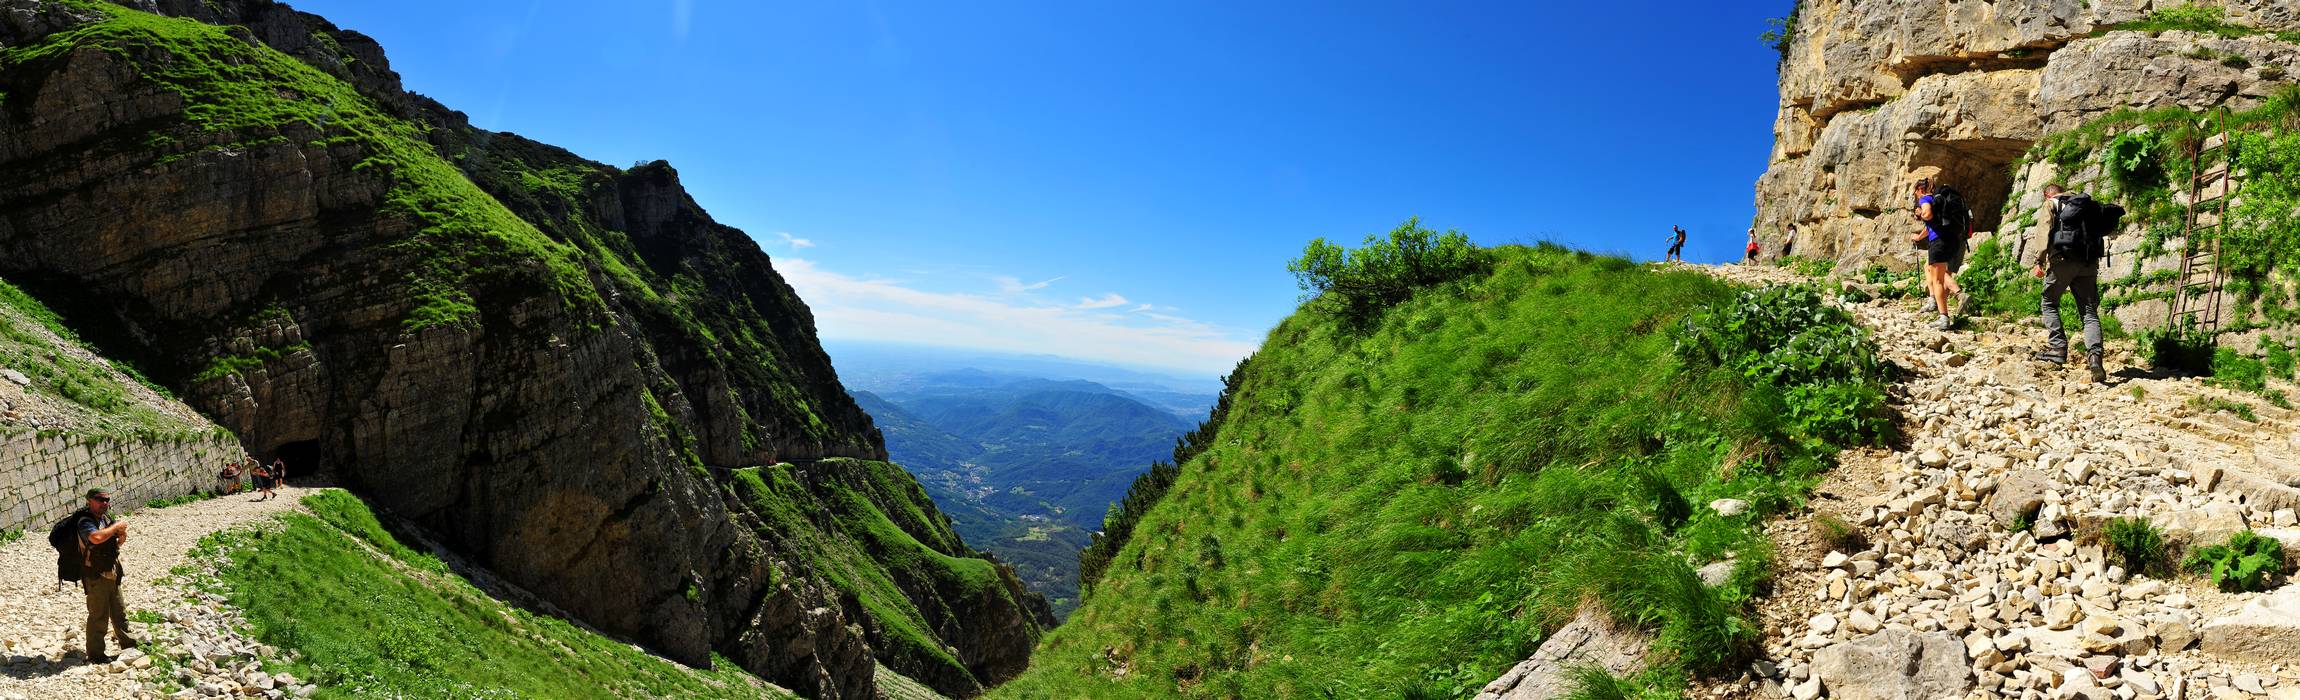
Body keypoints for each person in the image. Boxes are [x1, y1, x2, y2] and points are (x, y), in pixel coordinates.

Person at [2033, 184, 2108, 383]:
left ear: (2047, 194)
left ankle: (2057, 347)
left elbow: (2043, 233)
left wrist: (2038, 260)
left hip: (2062, 261)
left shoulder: (2052, 203)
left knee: (2049, 302)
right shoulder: (2086, 206)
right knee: (2089, 312)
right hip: (2089, 262)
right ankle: (2095, 359)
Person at [75, 488, 137, 663]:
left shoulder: (106, 520)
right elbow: (95, 538)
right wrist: (116, 527)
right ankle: (96, 655)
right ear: (89, 501)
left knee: (119, 612)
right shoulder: (85, 521)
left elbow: (118, 543)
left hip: (112, 571)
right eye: (100, 499)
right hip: (95, 574)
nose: (104, 503)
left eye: (107, 500)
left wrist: (121, 534)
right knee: (98, 616)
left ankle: (129, 646)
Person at [1909, 179, 1966, 330]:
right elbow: (1931, 225)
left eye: (1915, 191)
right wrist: (1920, 237)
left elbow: (1927, 215)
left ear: (1920, 189)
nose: (1915, 195)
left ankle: (1943, 317)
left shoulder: (1925, 199)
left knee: (1938, 281)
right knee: (1934, 272)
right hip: (1951, 241)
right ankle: (1939, 308)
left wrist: (1921, 213)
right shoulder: (1937, 201)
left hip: (1938, 243)